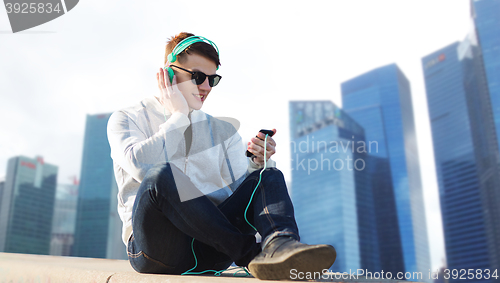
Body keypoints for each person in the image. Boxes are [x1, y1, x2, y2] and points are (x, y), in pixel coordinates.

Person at [106, 32, 336, 280]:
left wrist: (256, 163)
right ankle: (253, 256)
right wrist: (179, 117)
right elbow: (142, 166)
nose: (205, 87)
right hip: (159, 251)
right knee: (161, 174)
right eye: (197, 77)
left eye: (212, 80)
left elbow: (239, 194)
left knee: (268, 175)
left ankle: (281, 246)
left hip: (212, 249)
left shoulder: (222, 132)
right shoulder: (127, 118)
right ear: (169, 75)